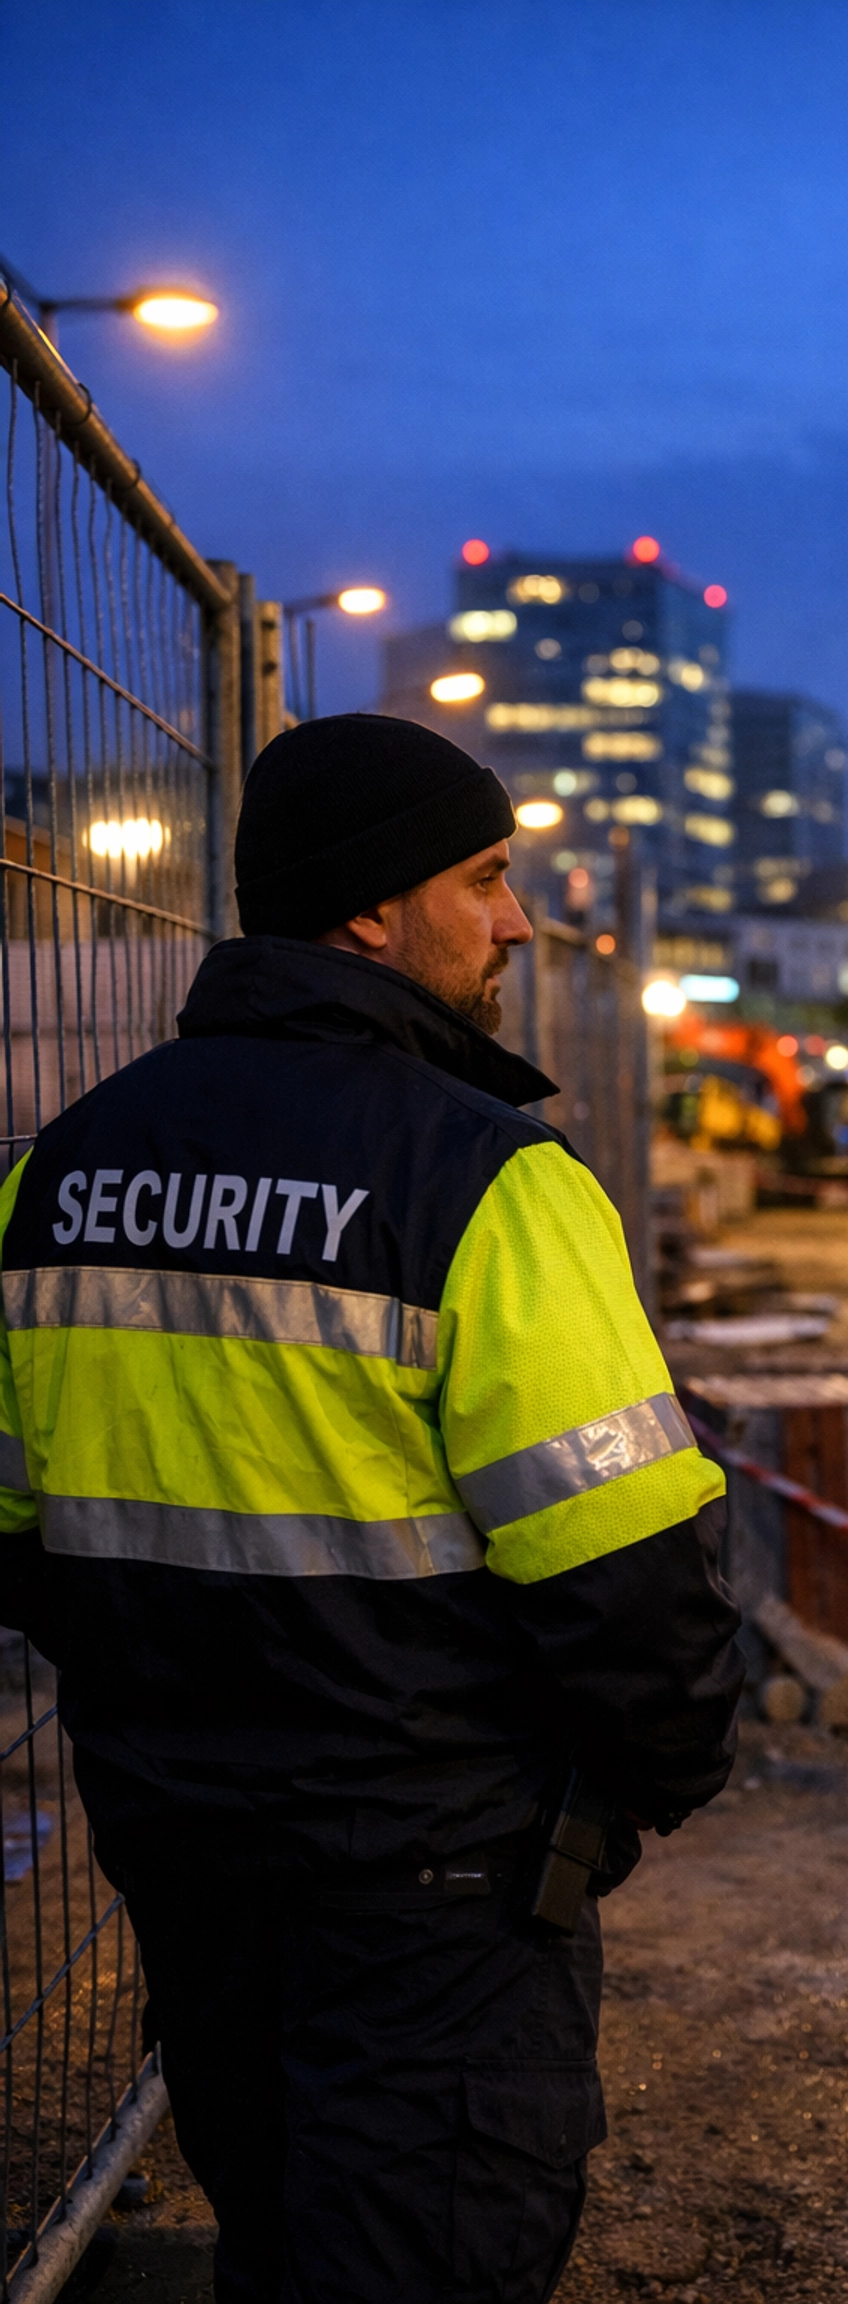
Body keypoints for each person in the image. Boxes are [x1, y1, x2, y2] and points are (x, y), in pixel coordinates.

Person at [0, 715, 743, 2304]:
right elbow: (629, 1583)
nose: (518, 922)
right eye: (483, 879)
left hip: (183, 1855)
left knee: (275, 2241)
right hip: (435, 1886)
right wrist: (656, 1780)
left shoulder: (59, 1173)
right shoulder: (486, 1180)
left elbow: (22, 1534)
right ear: (365, 911)